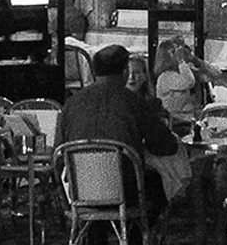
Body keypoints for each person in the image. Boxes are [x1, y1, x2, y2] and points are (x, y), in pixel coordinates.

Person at [61, 45, 182, 219]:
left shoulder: (72, 104)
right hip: (125, 193)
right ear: (125, 71)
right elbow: (165, 147)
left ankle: (94, 234)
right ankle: (138, 235)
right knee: (157, 183)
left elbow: (60, 153)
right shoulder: (134, 103)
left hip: (80, 191)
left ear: (94, 71)